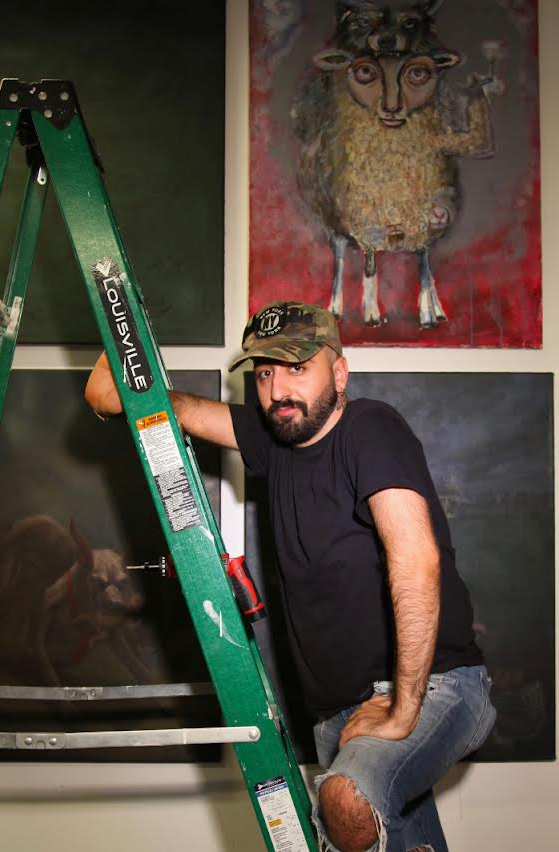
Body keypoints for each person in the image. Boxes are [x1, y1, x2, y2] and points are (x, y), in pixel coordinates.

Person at [85, 300, 496, 852]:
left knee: (347, 800)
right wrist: (120, 384)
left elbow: (417, 560)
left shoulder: (368, 427)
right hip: (337, 712)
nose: (278, 389)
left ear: (340, 372)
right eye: (264, 373)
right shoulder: (273, 438)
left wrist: (403, 708)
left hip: (434, 689)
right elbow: (171, 408)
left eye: (297, 367)